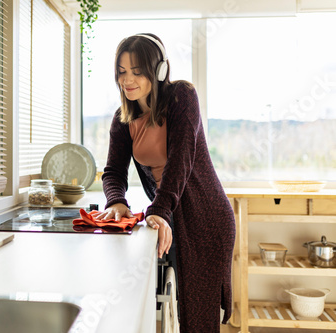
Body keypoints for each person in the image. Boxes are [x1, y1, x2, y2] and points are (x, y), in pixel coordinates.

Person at [95, 33, 236, 332]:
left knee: (198, 320)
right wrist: (116, 200)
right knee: (177, 312)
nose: (127, 80)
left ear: (158, 71)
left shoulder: (181, 97)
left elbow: (181, 157)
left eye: (137, 71)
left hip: (204, 218)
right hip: (170, 216)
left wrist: (158, 208)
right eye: (121, 72)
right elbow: (113, 172)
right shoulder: (122, 119)